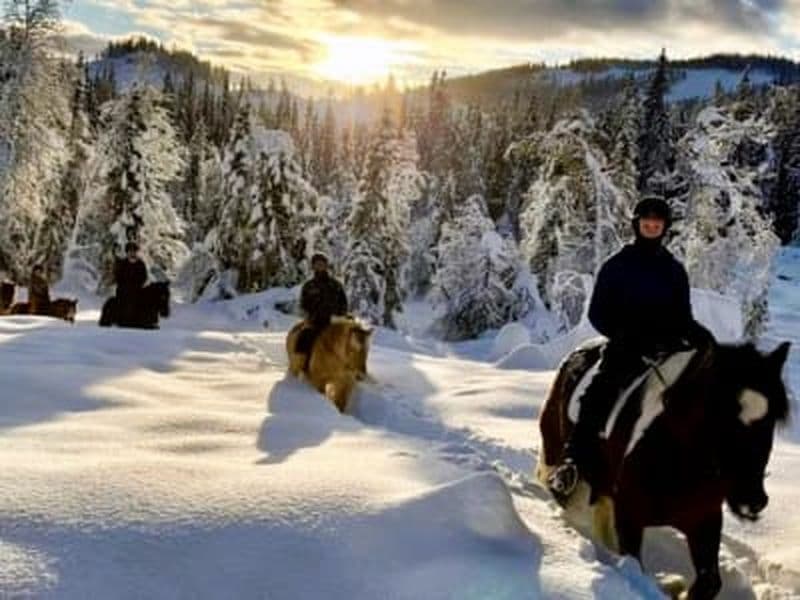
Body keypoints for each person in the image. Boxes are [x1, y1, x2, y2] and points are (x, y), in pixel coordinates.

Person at [547, 196, 715, 502]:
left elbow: (682, 316)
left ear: (665, 228)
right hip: (625, 347)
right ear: (636, 224)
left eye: (657, 222)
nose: (652, 226)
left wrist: (702, 336)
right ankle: (573, 461)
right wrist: (624, 335)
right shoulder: (617, 266)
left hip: (667, 347)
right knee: (601, 391)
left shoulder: (674, 270)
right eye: (646, 221)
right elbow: (598, 313)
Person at [295, 253, 348, 364]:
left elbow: (343, 302)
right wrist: (311, 315)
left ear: (326, 265)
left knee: (354, 338)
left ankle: (355, 367)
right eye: (317, 264)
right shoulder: (309, 286)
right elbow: (304, 304)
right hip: (317, 320)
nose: (320, 266)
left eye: (322, 263)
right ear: (313, 266)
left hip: (334, 320)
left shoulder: (335, 285)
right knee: (305, 338)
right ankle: (306, 364)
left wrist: (340, 314)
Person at [114, 242, 148, 324]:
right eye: (130, 251)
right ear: (127, 252)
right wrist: (124, 285)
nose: (132, 253)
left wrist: (137, 285)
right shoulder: (122, 263)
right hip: (124, 289)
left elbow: (144, 277)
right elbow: (118, 276)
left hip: (137, 289)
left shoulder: (141, 264)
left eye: (134, 251)